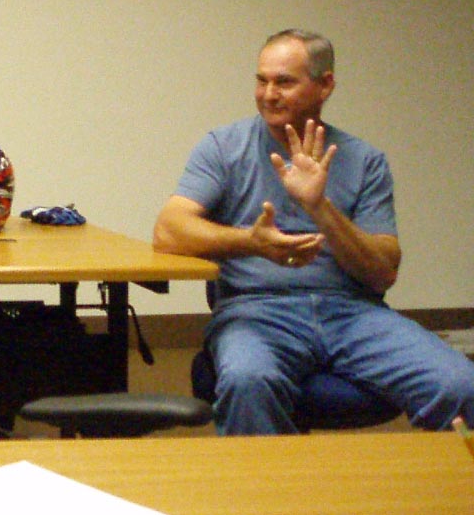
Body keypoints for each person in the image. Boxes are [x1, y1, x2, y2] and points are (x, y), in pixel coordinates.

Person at [153, 29, 474, 435]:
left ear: (325, 85)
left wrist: (319, 207)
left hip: (353, 313)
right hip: (257, 310)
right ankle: (269, 479)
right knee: (249, 381)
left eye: (284, 82)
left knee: (460, 385)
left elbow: (383, 273)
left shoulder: (364, 160)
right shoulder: (223, 147)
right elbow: (168, 231)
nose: (269, 94)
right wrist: (251, 242)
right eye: (261, 81)